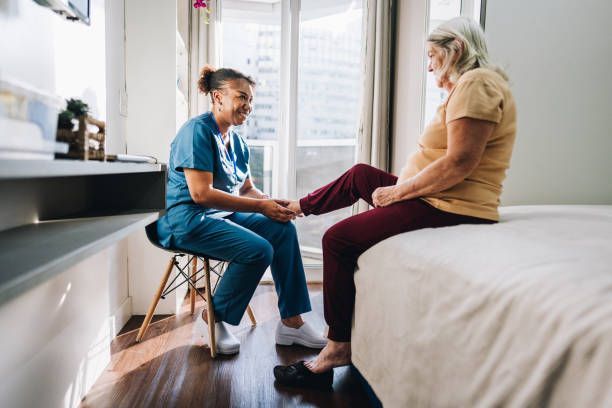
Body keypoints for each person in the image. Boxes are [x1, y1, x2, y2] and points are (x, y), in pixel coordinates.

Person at [274, 16, 517, 389]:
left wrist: (398, 193)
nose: (430, 64)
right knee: (360, 174)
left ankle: (337, 346)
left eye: (434, 56)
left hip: (449, 204)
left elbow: (459, 163)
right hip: (437, 195)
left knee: (337, 240)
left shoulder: (477, 83)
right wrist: (399, 186)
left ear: (458, 49)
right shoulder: (471, 85)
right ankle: (299, 206)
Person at [156, 66, 327, 354]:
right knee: (258, 250)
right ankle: (213, 317)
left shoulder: (237, 142)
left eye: (250, 100)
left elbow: (246, 189)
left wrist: (273, 204)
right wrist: (261, 206)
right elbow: (200, 194)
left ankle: (292, 323)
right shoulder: (196, 131)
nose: (247, 106)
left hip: (220, 217)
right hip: (186, 221)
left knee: (282, 230)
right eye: (241, 97)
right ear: (217, 97)